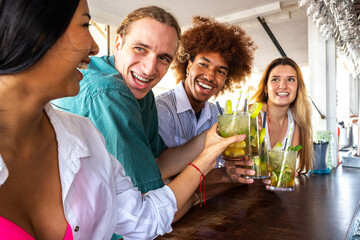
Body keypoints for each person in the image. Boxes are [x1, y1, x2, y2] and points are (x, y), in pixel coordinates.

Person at [0, 0, 245, 239]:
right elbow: (148, 203)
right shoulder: (110, 93)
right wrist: (202, 177)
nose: (150, 69)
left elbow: (157, 164)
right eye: (140, 48)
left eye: (163, 58)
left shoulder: (135, 95)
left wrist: (211, 137)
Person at [155, 16, 256, 185]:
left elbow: (224, 165)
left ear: (226, 81)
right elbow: (161, 176)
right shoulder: (161, 109)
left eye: (220, 71)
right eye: (203, 64)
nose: (210, 76)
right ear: (188, 66)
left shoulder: (219, 114)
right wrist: (221, 175)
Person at [250, 57, 314, 176]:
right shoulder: (252, 114)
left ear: (298, 87)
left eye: (290, 79)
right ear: (266, 88)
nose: (283, 86)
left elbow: (287, 171)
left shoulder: (295, 123)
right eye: (275, 79)